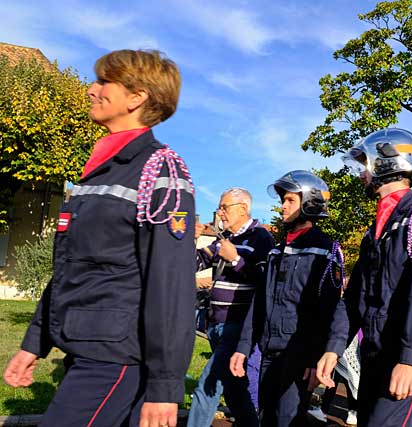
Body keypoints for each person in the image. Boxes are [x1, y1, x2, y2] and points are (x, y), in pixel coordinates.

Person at [3, 49, 195, 427]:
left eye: (105, 81)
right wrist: (35, 342)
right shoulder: (99, 171)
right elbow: (71, 266)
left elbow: (170, 284)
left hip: (115, 356)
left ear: (137, 97)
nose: (92, 89)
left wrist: (165, 386)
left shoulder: (160, 169)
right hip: (83, 343)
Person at [316, 128, 412, 427]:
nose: (360, 174)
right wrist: (334, 345)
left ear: (386, 162)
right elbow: (355, 297)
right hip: (378, 346)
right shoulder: (376, 229)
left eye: (364, 165)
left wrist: (409, 358)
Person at [229, 170, 344, 426]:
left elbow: (329, 310)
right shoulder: (275, 252)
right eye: (283, 200)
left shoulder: (325, 250)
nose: (282, 207)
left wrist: (316, 357)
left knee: (287, 420)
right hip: (269, 352)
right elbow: (259, 304)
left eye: (290, 200)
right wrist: (242, 348)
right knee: (267, 418)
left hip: (299, 357)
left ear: (310, 203)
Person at [187, 188, 274, 427]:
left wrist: (236, 259)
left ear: (243, 208)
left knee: (208, 386)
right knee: (235, 393)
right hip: (215, 324)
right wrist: (189, 239)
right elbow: (193, 264)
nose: (220, 212)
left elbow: (266, 280)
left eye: (225, 207)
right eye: (219, 207)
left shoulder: (261, 238)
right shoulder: (223, 238)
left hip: (238, 325)